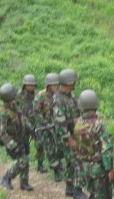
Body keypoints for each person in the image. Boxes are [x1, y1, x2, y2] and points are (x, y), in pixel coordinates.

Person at [72, 89, 114, 199]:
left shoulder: (78, 123)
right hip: (97, 169)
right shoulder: (99, 124)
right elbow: (106, 149)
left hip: (83, 166)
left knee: (91, 193)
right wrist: (110, 169)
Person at [0, 83, 33, 191]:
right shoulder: (2, 112)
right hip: (12, 141)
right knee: (23, 161)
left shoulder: (14, 106)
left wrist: (31, 129)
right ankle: (6, 178)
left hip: (21, 137)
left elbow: (23, 118)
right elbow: (2, 132)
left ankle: (24, 182)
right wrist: (13, 146)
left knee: (25, 158)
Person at [52, 68, 80, 197]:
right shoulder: (58, 99)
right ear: (69, 83)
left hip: (72, 133)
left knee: (71, 162)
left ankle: (69, 188)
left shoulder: (69, 95)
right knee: (76, 161)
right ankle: (76, 191)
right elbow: (60, 123)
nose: (74, 85)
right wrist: (70, 139)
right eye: (73, 82)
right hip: (65, 136)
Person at [33, 73, 62, 182]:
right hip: (44, 127)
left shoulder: (59, 96)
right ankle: (56, 171)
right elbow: (36, 112)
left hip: (57, 126)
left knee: (60, 147)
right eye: (53, 85)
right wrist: (46, 124)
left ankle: (58, 164)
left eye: (57, 85)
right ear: (48, 86)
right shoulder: (40, 96)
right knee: (49, 149)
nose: (55, 87)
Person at [16, 74, 47, 173]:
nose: (31, 87)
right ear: (24, 85)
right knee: (24, 145)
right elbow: (15, 110)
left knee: (40, 144)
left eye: (33, 85)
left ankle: (40, 164)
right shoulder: (18, 95)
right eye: (28, 85)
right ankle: (23, 164)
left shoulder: (38, 95)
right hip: (23, 125)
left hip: (36, 124)